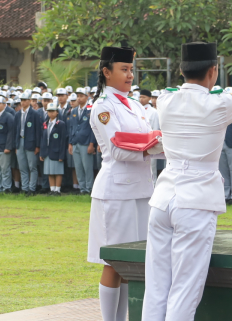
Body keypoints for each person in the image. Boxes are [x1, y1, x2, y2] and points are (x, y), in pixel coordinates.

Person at [142, 42, 232, 321]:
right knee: (184, 290)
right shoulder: (218, 104)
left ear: (180, 70)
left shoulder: (165, 101)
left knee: (156, 288)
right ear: (213, 71)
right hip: (196, 201)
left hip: (163, 198)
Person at [87, 46, 157, 321]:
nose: (129, 75)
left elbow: (147, 138)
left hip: (141, 189)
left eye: (131, 69)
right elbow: (117, 149)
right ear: (106, 72)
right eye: (123, 70)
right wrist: (154, 148)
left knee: (132, 263)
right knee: (114, 262)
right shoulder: (104, 107)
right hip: (116, 190)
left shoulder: (137, 105)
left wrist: (160, 145)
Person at [68, 88, 96, 195]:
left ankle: (89, 188)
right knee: (78, 167)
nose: (79, 98)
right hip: (75, 142)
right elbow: (71, 127)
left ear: (87, 97)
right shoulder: (74, 110)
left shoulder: (90, 109)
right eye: (78, 96)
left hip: (86, 142)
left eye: (81, 96)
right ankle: (82, 188)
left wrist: (91, 143)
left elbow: (93, 128)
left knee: (87, 167)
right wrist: (70, 143)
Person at [40, 103, 67, 195]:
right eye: (49, 111)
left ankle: (57, 190)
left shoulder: (61, 124)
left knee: (58, 171)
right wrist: (42, 153)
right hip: (47, 151)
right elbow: (43, 139)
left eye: (53, 111)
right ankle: (52, 189)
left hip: (57, 151)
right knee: (49, 171)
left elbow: (63, 140)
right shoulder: (45, 123)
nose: (51, 113)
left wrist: (61, 155)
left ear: (57, 112)